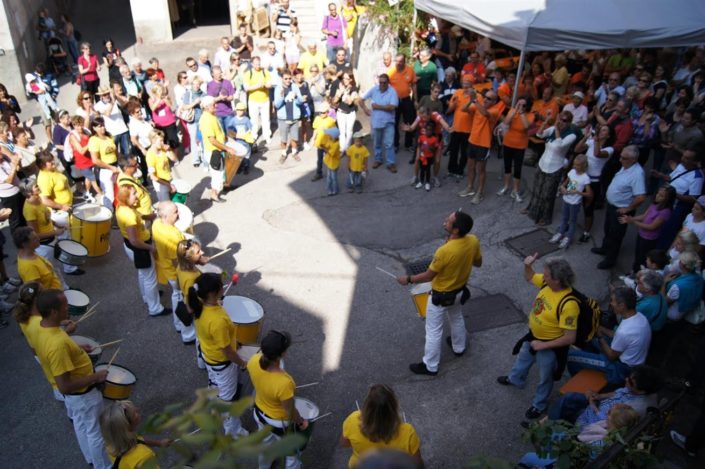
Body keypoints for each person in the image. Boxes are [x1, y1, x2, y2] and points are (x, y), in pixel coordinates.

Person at [33, 289, 111, 469]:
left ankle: (91, 460)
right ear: (53, 311)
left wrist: (77, 349)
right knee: (96, 433)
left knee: (82, 425)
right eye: (64, 306)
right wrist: (95, 376)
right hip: (84, 395)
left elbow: (59, 345)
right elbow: (64, 386)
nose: (67, 308)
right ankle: (104, 466)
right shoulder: (57, 346)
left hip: (76, 400)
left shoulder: (43, 326)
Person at [398, 210, 482, 375]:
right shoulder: (473, 240)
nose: (445, 221)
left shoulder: (444, 252)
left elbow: (429, 275)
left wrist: (408, 279)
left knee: (433, 331)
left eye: (448, 220)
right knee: (456, 318)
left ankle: (430, 365)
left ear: (456, 230)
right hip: (459, 292)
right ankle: (459, 347)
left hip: (441, 296)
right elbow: (478, 262)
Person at [497, 255, 578, 420]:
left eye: (546, 275)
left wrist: (543, 346)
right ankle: (515, 379)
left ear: (557, 280)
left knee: (545, 377)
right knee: (522, 359)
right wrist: (527, 266)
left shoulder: (569, 305)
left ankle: (538, 405)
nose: (543, 276)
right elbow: (530, 276)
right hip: (533, 337)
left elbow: (570, 338)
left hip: (550, 346)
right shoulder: (546, 283)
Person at [189, 273, 248, 437]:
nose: (224, 288)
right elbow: (227, 351)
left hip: (209, 356)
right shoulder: (217, 321)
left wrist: (216, 304)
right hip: (222, 363)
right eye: (221, 287)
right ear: (211, 293)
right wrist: (243, 363)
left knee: (214, 384)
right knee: (229, 400)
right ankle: (233, 431)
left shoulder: (199, 304)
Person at [248, 330, 308, 469]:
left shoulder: (253, 361)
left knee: (265, 446)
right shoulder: (284, 383)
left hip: (259, 413)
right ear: (282, 354)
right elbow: (290, 410)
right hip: (279, 423)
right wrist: (300, 422)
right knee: (291, 453)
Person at [568, 286, 651, 385]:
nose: (611, 304)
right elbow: (621, 337)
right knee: (591, 340)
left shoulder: (625, 331)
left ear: (622, 305)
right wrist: (603, 330)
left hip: (621, 368)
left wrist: (600, 337)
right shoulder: (640, 318)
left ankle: (579, 384)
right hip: (631, 360)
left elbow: (612, 356)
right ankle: (589, 360)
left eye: (613, 301)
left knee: (571, 356)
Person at [116, 184, 169, 317]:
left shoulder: (123, 207)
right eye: (134, 194)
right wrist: (151, 248)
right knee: (150, 278)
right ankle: (155, 308)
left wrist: (151, 216)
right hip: (139, 248)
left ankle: (147, 297)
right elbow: (134, 240)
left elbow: (140, 216)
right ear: (125, 197)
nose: (137, 195)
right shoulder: (128, 215)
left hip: (132, 247)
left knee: (143, 274)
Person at [341, 384, 423, 468]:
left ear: (367, 406)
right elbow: (417, 463)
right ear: (394, 407)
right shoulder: (408, 432)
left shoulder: (352, 419)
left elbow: (345, 444)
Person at [591, 145, 646, 270]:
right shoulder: (626, 166)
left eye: (624, 158)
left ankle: (610, 260)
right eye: (621, 156)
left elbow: (641, 197)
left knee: (616, 235)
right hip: (612, 206)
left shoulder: (637, 174)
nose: (620, 160)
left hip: (621, 209)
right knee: (608, 229)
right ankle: (604, 248)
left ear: (633, 160)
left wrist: (627, 209)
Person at [152, 201, 194, 345]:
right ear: (165, 216)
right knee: (184, 301)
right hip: (176, 273)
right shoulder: (171, 236)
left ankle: (178, 325)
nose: (179, 214)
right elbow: (178, 261)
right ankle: (187, 333)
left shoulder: (156, 223)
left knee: (176, 296)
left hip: (166, 269)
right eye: (175, 212)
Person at [458, 89, 502, 205]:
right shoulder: (478, 105)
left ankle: (480, 192)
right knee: (470, 167)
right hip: (472, 141)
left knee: (481, 170)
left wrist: (475, 100)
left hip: (484, 144)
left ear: (494, 102)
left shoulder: (495, 110)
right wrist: (470, 100)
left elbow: (485, 114)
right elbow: (463, 109)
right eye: (485, 97)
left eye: (489, 99)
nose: (486, 100)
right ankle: (470, 187)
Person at [573, 124, 615, 243]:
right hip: (579, 177)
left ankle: (586, 232)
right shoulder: (591, 141)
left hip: (593, 182)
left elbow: (597, 154)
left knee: (588, 207)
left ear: (609, 135)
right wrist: (585, 137)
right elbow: (577, 149)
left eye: (605, 130)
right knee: (572, 198)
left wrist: (596, 141)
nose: (601, 131)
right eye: (601, 129)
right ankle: (570, 223)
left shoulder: (609, 149)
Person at [100, 400, 171, 468]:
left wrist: (159, 443)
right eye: (135, 413)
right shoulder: (143, 457)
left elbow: (139, 440)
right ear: (127, 426)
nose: (138, 409)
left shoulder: (112, 444)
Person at [620, 186, 675, 273]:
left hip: (649, 239)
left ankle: (638, 275)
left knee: (643, 259)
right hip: (641, 234)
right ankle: (634, 271)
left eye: (661, 196)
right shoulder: (655, 204)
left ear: (667, 199)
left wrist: (633, 222)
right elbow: (644, 216)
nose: (657, 196)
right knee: (638, 256)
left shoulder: (665, 211)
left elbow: (652, 227)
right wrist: (631, 218)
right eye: (658, 193)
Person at [199, 96, 238, 203]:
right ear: (206, 107)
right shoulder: (206, 120)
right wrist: (228, 148)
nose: (216, 105)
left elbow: (217, 132)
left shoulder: (211, 115)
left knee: (221, 170)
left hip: (217, 149)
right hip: (213, 151)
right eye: (213, 104)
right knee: (217, 174)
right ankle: (214, 194)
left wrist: (226, 138)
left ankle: (225, 185)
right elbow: (212, 140)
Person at [550, 154, 592, 249]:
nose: (574, 167)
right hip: (566, 199)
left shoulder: (585, 178)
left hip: (575, 203)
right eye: (574, 164)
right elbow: (565, 184)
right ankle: (560, 233)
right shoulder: (572, 172)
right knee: (564, 218)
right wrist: (562, 188)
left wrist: (577, 192)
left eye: (577, 165)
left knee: (572, 221)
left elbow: (589, 194)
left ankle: (568, 238)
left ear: (583, 166)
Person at [360, 74, 399, 173]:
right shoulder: (374, 89)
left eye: (384, 82)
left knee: (389, 144)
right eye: (380, 82)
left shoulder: (392, 91)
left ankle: (390, 163)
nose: (382, 84)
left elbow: (392, 107)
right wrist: (365, 109)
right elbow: (361, 100)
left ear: (388, 83)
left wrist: (377, 106)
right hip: (376, 122)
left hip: (389, 122)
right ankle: (378, 160)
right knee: (377, 143)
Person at [498, 96, 534, 201]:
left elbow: (526, 126)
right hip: (508, 143)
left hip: (520, 145)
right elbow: (506, 122)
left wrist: (522, 113)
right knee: (507, 166)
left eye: (523, 104)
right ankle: (505, 186)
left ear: (527, 106)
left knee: (517, 168)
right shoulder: (512, 111)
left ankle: (515, 190)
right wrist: (515, 110)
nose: (521, 106)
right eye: (519, 103)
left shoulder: (530, 115)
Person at [387, 54, 418, 152]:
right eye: (397, 61)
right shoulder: (391, 72)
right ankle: (395, 144)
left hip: (406, 100)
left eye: (401, 61)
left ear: (405, 61)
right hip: (394, 101)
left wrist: (416, 100)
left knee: (409, 121)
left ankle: (408, 144)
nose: (398, 63)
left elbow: (414, 85)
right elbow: (386, 87)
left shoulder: (410, 70)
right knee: (394, 122)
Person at [69, 115, 102, 202]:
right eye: (77, 125)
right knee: (93, 179)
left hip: (90, 159)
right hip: (82, 162)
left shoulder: (85, 131)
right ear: (74, 125)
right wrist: (90, 142)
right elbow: (81, 151)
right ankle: (102, 195)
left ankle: (87, 193)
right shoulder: (72, 136)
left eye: (81, 125)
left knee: (88, 178)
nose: (79, 127)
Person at [664, 251, 704, 321]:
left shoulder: (677, 286)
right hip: (690, 306)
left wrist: (664, 283)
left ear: (682, 265)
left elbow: (665, 303)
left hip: (675, 314)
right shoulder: (700, 278)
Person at [274, 70, 303, 163]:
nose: (288, 80)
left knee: (294, 137)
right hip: (283, 117)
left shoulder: (294, 86)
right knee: (283, 138)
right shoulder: (278, 88)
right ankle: (284, 154)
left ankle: (294, 152)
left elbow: (301, 101)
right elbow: (277, 105)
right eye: (285, 78)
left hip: (294, 116)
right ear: (282, 78)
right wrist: (282, 96)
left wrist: (297, 97)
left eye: (289, 78)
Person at [243, 56, 272, 145]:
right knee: (254, 119)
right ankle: (254, 135)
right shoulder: (248, 73)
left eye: (259, 64)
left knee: (266, 119)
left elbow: (270, 84)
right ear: (252, 64)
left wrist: (265, 85)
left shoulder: (265, 72)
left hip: (265, 99)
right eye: (256, 64)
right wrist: (258, 86)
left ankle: (266, 136)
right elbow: (246, 88)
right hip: (253, 100)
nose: (258, 66)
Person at [117, 154, 154, 223]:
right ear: (126, 168)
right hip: (143, 217)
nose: (137, 166)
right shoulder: (126, 185)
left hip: (147, 212)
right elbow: (130, 205)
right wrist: (147, 217)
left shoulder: (127, 175)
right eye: (134, 165)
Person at [94, 86, 130, 155]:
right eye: (104, 94)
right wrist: (113, 101)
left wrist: (116, 95)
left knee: (127, 153)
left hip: (123, 130)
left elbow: (124, 105)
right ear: (101, 96)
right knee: (115, 154)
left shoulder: (114, 100)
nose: (107, 95)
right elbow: (107, 114)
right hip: (112, 133)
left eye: (108, 93)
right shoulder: (98, 106)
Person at [331, 72, 359, 154]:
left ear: (351, 79)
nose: (345, 80)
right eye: (343, 78)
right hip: (340, 112)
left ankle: (348, 148)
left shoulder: (354, 88)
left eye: (347, 78)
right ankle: (342, 149)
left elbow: (350, 102)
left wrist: (347, 92)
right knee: (341, 131)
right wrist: (340, 92)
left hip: (350, 113)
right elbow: (334, 101)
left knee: (349, 131)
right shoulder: (340, 88)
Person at [146, 129, 177, 202]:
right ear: (153, 141)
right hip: (160, 184)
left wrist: (169, 150)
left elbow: (174, 159)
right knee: (167, 205)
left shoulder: (163, 149)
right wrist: (168, 185)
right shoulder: (150, 155)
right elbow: (153, 176)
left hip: (169, 179)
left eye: (163, 140)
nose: (163, 143)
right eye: (160, 141)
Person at [310, 102, 336, 181]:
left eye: (323, 112)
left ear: (327, 112)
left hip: (328, 144)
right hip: (320, 144)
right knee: (319, 159)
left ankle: (331, 173)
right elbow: (315, 130)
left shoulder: (331, 121)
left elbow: (334, 133)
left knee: (329, 158)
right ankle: (319, 173)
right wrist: (313, 139)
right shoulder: (317, 119)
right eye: (320, 112)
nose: (321, 114)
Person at [414, 123, 440, 192]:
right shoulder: (421, 137)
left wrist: (430, 147)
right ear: (425, 130)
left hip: (429, 157)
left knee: (428, 170)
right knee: (422, 169)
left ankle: (427, 183)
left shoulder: (434, 139)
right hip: (422, 157)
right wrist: (420, 152)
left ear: (432, 131)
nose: (428, 131)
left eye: (430, 130)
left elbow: (435, 149)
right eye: (427, 130)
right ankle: (421, 182)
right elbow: (419, 145)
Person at [321, 128, 342, 196]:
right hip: (329, 163)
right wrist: (324, 145)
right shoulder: (331, 141)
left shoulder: (336, 145)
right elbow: (327, 146)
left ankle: (335, 190)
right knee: (329, 177)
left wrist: (324, 148)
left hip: (334, 164)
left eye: (330, 135)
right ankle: (329, 189)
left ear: (333, 137)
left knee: (333, 178)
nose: (328, 136)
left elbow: (331, 153)